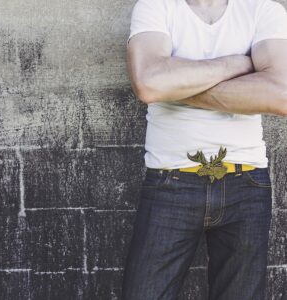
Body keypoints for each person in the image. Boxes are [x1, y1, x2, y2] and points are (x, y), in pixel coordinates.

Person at [121, 0, 287, 299]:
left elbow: (280, 95)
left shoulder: (263, 9)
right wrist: (236, 64)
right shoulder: (155, 6)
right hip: (170, 180)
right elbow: (148, 84)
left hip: (246, 181)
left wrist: (176, 85)